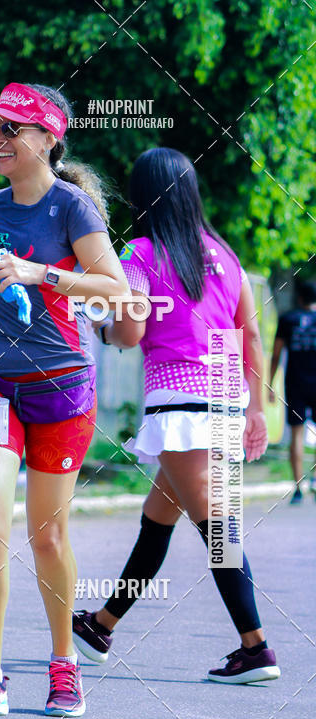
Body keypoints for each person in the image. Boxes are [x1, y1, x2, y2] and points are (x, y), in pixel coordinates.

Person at [0, 82, 133, 717]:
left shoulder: (72, 207)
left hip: (61, 384)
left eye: (11, 128)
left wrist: (42, 273)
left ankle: (65, 662)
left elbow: (117, 289)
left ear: (48, 137)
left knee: (47, 535)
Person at [73, 147, 281, 685]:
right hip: (225, 394)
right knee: (158, 519)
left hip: (180, 399)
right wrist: (258, 409)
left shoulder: (140, 253)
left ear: (144, 196)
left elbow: (131, 332)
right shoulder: (225, 254)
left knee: (217, 527)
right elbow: (251, 336)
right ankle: (101, 625)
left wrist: (102, 328)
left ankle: (255, 648)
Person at [268, 279, 316, 504]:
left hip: (295, 384)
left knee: (296, 433)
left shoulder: (288, 319)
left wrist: (270, 383)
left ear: (299, 298)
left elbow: (276, 354)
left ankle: (298, 487)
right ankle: (314, 480)